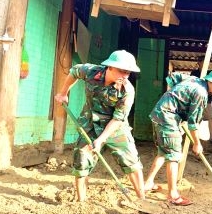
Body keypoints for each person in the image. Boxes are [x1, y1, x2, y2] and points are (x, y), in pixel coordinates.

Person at [54, 50, 145, 203]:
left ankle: (142, 200)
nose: (125, 75)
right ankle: (81, 201)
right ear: (109, 67)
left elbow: (118, 119)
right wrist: (64, 93)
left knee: (131, 160)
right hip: (90, 122)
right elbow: (74, 72)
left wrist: (101, 139)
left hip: (115, 126)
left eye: (128, 72)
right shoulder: (91, 72)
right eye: (122, 71)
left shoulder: (127, 91)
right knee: (81, 159)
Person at [146, 69, 212, 206]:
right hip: (168, 118)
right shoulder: (201, 94)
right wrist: (197, 143)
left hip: (159, 114)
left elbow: (172, 78)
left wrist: (175, 99)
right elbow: (193, 124)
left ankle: (148, 183)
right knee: (174, 155)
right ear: (209, 81)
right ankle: (173, 194)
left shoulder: (193, 79)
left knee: (163, 151)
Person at [191, 64, 212, 143]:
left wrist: (210, 93)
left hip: (207, 100)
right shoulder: (194, 73)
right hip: (195, 99)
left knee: (210, 118)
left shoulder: (210, 73)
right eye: (202, 62)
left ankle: (211, 137)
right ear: (199, 63)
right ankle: (195, 139)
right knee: (196, 119)